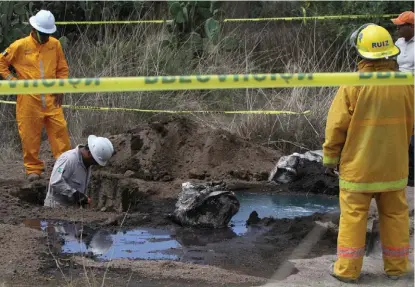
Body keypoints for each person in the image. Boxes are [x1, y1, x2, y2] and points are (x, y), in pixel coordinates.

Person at [323, 23, 414, 283]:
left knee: (353, 218)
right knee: (396, 216)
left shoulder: (354, 85)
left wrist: (330, 158)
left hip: (359, 168)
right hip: (394, 167)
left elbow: (336, 126)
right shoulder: (406, 83)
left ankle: (347, 271)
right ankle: (397, 268)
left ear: (361, 53)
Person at [0, 10, 71, 182]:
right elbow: (2, 62)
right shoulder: (20, 45)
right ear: (34, 29)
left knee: (60, 133)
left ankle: (65, 167)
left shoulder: (55, 45)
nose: (46, 37)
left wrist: (61, 87)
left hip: (52, 98)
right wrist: (13, 82)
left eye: (48, 34)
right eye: (43, 34)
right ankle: (33, 170)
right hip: (28, 100)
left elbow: (62, 68)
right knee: (29, 136)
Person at [44, 135, 114, 208]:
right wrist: (76, 194)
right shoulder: (69, 159)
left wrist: (82, 197)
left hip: (71, 209)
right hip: (55, 208)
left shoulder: (86, 163)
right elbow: (55, 182)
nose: (95, 164)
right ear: (89, 153)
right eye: (95, 161)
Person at [391, 11, 414, 186]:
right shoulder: (398, 43)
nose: (397, 28)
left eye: (401, 25)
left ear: (411, 26)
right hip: (398, 89)